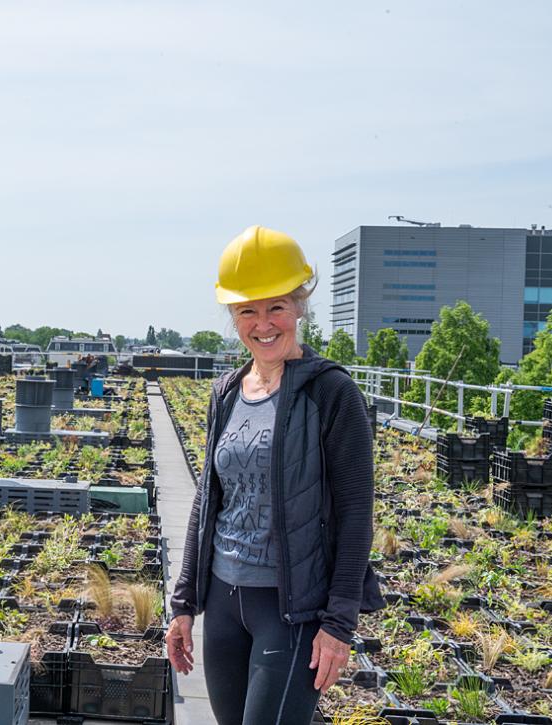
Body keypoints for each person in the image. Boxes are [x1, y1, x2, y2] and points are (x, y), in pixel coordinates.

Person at [165, 225, 384, 725]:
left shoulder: (331, 393)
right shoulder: (227, 392)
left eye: (276, 307)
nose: (263, 324)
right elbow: (207, 502)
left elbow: (355, 515)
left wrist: (339, 623)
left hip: (291, 612)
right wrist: (183, 604)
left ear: (300, 306)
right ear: (233, 317)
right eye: (248, 310)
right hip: (223, 603)